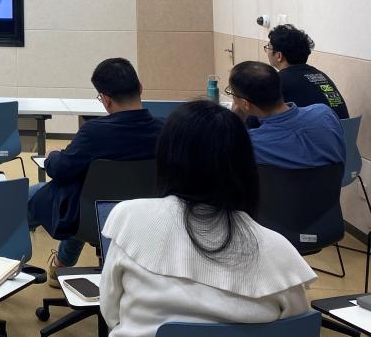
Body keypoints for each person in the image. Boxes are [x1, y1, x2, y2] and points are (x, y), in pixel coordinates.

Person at [100, 100, 315, 337]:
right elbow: (297, 328)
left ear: (167, 157)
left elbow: (110, 312)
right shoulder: (278, 251)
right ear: (244, 165)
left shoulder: (130, 218)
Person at [27, 58, 164, 286]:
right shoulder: (166, 130)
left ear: (106, 99)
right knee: (86, 192)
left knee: (23, 199)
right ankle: (61, 265)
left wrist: (52, 156)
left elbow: (60, 170)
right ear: (140, 87)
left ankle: (5, 269)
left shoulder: (94, 133)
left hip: (93, 217)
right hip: (145, 219)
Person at [227, 60, 344, 168]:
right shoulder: (325, 114)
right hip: (331, 184)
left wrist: (234, 121)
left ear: (245, 104)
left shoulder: (250, 143)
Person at [266, 24, 348, 119]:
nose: (266, 51)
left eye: (268, 47)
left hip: (321, 128)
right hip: (346, 128)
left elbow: (259, 116)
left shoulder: (277, 81)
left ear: (279, 56)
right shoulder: (321, 75)